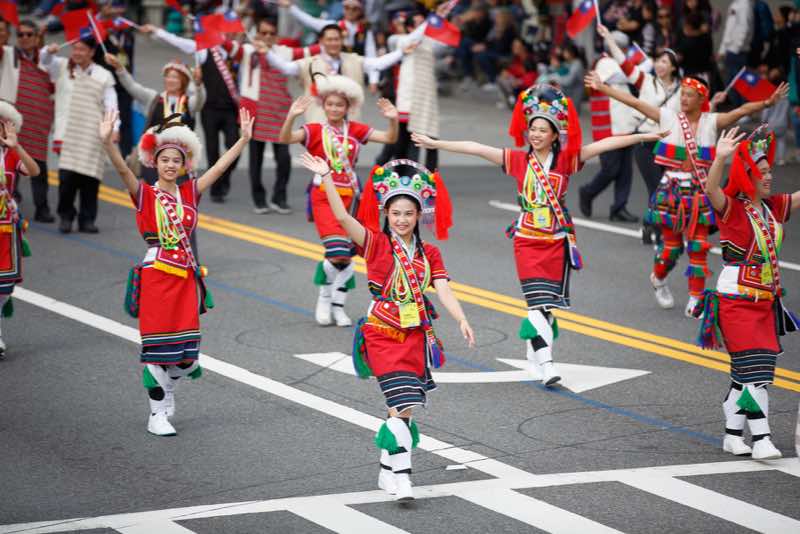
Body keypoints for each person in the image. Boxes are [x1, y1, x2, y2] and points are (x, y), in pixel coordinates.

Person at [412, 84, 667, 385]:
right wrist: (435, 143)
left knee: (547, 306)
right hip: (527, 241)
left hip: (557, 241)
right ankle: (547, 364)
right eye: (532, 129)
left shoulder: (567, 160)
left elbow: (606, 144)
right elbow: (476, 147)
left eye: (543, 130)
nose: (535, 134)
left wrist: (643, 137)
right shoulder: (517, 160)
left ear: (555, 135)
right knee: (536, 303)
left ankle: (536, 352)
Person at [297, 151, 474, 501]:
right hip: (382, 333)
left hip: (415, 335)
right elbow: (342, 216)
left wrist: (461, 318)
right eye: (395, 213)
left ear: (419, 215)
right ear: (386, 213)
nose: (402, 219)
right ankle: (404, 478)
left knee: (401, 410)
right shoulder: (375, 243)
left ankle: (386, 470)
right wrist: (327, 177)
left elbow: (443, 289)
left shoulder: (430, 254)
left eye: (408, 213)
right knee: (403, 402)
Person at [98, 107, 254, 437]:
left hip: (185, 279)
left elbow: (219, 168)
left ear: (185, 164)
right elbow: (123, 170)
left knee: (186, 358)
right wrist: (108, 143)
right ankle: (156, 414)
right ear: (155, 162)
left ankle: (167, 388)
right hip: (157, 275)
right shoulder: (145, 193)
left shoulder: (189, 192)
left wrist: (242, 140)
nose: (170, 165)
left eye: (176, 160)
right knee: (158, 351)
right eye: (165, 159)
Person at [585, 71, 789, 316]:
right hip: (671, 191)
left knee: (698, 246)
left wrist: (767, 102)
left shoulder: (711, 122)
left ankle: (695, 298)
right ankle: (658, 277)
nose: (684, 99)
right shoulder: (668, 118)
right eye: (682, 94)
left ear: (702, 99)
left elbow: (740, 111)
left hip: (700, 192)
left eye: (689, 95)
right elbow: (635, 102)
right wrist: (603, 88)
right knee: (671, 248)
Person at [694, 126, 799, 460]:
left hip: (766, 301)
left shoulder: (771, 207)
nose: (769, 176)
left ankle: (732, 434)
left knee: (748, 375)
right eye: (762, 171)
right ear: (747, 174)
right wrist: (721, 158)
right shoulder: (732, 208)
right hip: (736, 300)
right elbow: (711, 188)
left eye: (769, 171)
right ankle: (763, 438)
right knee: (756, 372)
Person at [279, 75, 398, 328]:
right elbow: (285, 138)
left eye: (339, 105)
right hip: (324, 195)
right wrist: (292, 116)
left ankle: (338, 305)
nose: (334, 109)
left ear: (348, 107)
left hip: (352, 197)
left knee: (349, 255)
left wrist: (393, 119)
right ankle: (324, 298)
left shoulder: (355, 129)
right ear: (323, 105)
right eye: (330, 104)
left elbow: (389, 138)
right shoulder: (314, 130)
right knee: (337, 252)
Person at [597, 23, 680, 245]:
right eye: (658, 61)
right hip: (645, 142)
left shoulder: (682, 90)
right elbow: (624, 63)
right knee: (656, 186)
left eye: (665, 62)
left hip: (669, 144)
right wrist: (609, 38)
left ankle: (650, 224)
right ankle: (657, 229)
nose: (659, 65)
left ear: (673, 68)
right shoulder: (645, 81)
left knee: (668, 187)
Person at [142, 24, 243, 203]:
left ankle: (224, 177)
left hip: (230, 109)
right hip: (209, 109)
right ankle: (216, 190)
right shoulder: (205, 52)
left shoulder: (238, 54)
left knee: (234, 146)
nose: (228, 35)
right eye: (224, 32)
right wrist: (157, 32)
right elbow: (179, 42)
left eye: (231, 32)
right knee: (212, 150)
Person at [237, 17, 319, 215]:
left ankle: (279, 197)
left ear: (276, 36)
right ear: (256, 34)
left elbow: (311, 51)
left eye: (271, 34)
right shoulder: (247, 51)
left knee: (283, 159)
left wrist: (334, 36)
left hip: (280, 114)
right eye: (263, 33)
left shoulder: (285, 52)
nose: (267, 37)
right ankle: (259, 199)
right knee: (255, 160)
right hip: (257, 113)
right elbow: (225, 46)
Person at [40, 37, 118, 234]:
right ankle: (66, 217)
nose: (77, 53)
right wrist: (49, 50)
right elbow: (44, 60)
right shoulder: (62, 67)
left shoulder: (103, 75)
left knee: (90, 179)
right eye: (75, 49)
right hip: (68, 132)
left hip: (92, 133)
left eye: (82, 49)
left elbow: (111, 104)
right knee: (67, 178)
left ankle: (87, 219)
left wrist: (114, 127)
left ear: (91, 52)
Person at [266, 23, 412, 123]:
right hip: (319, 125)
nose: (333, 43)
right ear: (321, 41)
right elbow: (285, 67)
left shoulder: (354, 60)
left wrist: (401, 52)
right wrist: (266, 52)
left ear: (342, 40)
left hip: (350, 125)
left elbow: (378, 63)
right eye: (329, 39)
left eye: (337, 39)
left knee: (348, 161)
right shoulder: (309, 63)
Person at [104, 54, 206, 185]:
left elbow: (200, 100)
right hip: (153, 160)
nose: (170, 80)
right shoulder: (154, 99)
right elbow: (132, 87)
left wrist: (198, 84)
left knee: (177, 195)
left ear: (183, 81)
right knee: (153, 194)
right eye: (168, 76)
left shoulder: (188, 103)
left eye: (175, 77)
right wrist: (120, 68)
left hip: (180, 161)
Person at [579, 30, 639, 223]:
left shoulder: (615, 62)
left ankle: (619, 207)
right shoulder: (605, 62)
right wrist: (642, 65)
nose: (626, 53)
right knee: (611, 169)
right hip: (609, 128)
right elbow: (624, 77)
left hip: (624, 125)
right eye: (624, 49)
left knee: (626, 170)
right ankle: (588, 191)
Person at [0, 19, 56, 223]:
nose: (24, 38)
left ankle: (42, 207)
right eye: (20, 34)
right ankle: (10, 198)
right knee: (10, 158)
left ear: (37, 37)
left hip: (37, 118)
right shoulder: (8, 54)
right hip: (13, 116)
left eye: (29, 34)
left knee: (38, 162)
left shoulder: (47, 60)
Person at [0, 102, 41, 357]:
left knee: (5, 285)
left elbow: (34, 171)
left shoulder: (12, 154)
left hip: (7, 226)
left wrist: (16, 146)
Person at [281, 0, 379, 90]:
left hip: (353, 72)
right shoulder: (333, 26)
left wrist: (373, 80)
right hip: (331, 71)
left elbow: (371, 53)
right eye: (347, 8)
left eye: (354, 9)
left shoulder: (365, 30)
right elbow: (310, 21)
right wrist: (291, 7)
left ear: (360, 11)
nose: (350, 11)